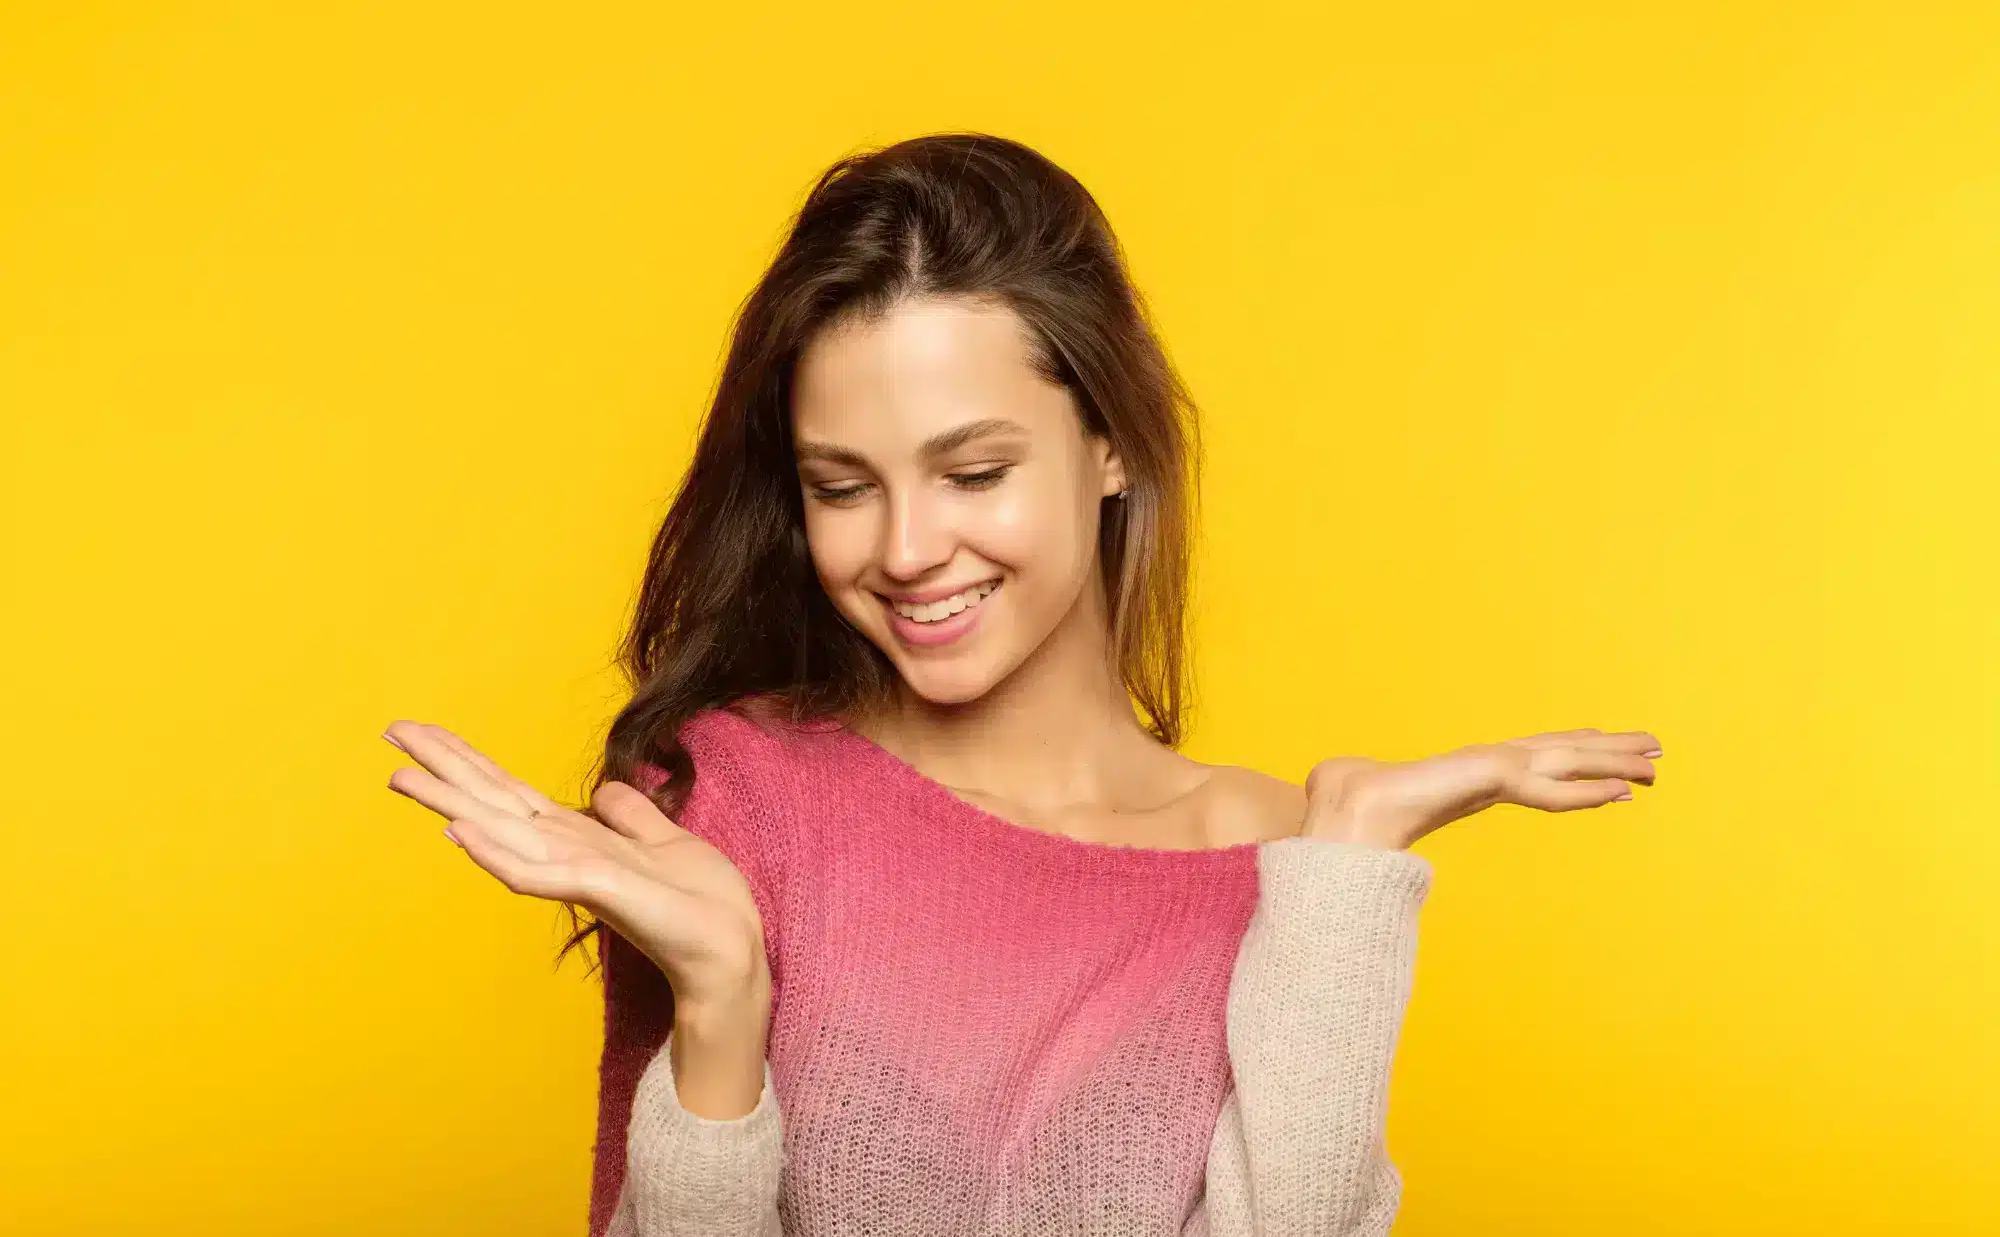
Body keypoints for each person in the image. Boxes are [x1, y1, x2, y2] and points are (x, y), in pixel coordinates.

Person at [383, 132, 1662, 1235]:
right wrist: (722, 1002)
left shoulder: (1289, 876)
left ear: (1107, 444)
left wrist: (1349, 858)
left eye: (973, 471)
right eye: (841, 486)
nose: (901, 548)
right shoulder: (732, 804)